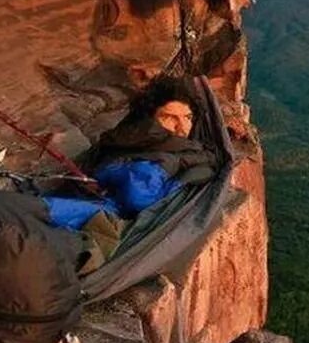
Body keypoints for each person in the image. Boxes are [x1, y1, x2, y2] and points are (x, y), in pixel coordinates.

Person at [42, 77, 216, 231]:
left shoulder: (188, 155)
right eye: (170, 118)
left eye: (188, 117)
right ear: (150, 120)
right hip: (87, 210)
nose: (183, 128)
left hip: (98, 217)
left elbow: (138, 198)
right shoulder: (124, 143)